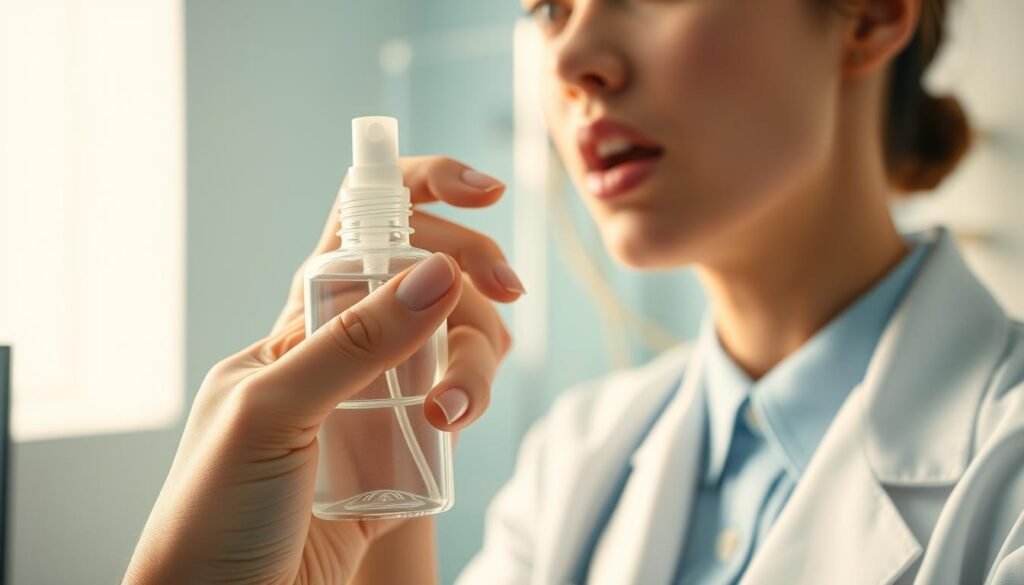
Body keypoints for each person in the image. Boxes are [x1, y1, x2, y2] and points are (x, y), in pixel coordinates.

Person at [125, 0, 1024, 583]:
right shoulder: (576, 462)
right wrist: (361, 531)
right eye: (547, 7)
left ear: (869, 15)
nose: (573, 56)